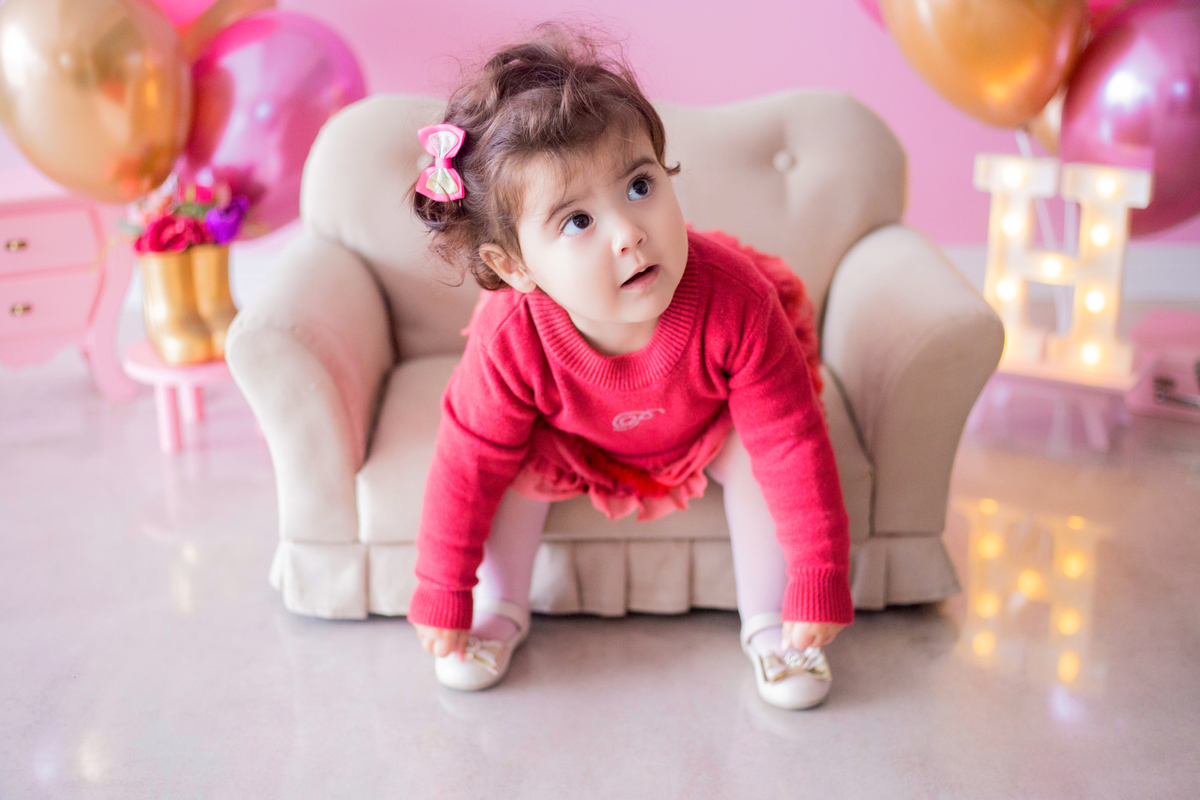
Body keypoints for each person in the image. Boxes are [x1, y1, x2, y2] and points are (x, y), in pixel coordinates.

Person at [407, 25, 852, 709]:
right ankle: (502, 610)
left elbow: (791, 441)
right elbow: (468, 458)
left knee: (757, 452)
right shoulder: (511, 335)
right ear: (514, 266)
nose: (628, 233)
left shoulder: (736, 301)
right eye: (577, 222)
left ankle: (770, 626)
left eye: (640, 185)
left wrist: (817, 577)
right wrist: (443, 587)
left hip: (704, 428)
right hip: (577, 443)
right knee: (510, 462)